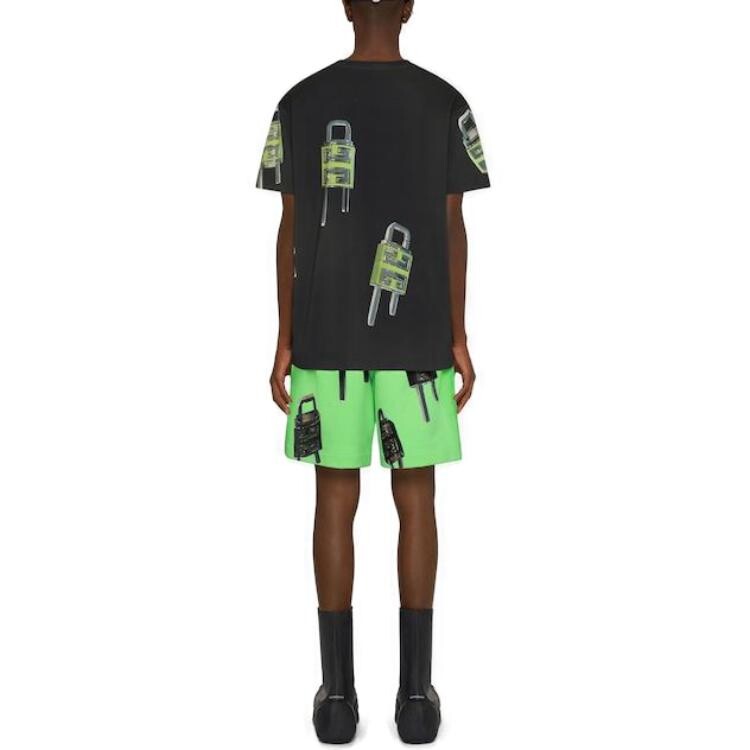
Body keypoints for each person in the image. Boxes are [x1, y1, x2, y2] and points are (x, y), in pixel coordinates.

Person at [256, 0, 490, 743]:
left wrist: (285, 338)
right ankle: (416, 697)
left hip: (326, 333)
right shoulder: (446, 104)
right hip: (418, 335)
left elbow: (290, 232)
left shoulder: (299, 103)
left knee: (334, 500)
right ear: (411, 8)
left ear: (346, 8)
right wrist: (457, 335)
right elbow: (452, 228)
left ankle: (336, 697)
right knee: (416, 500)